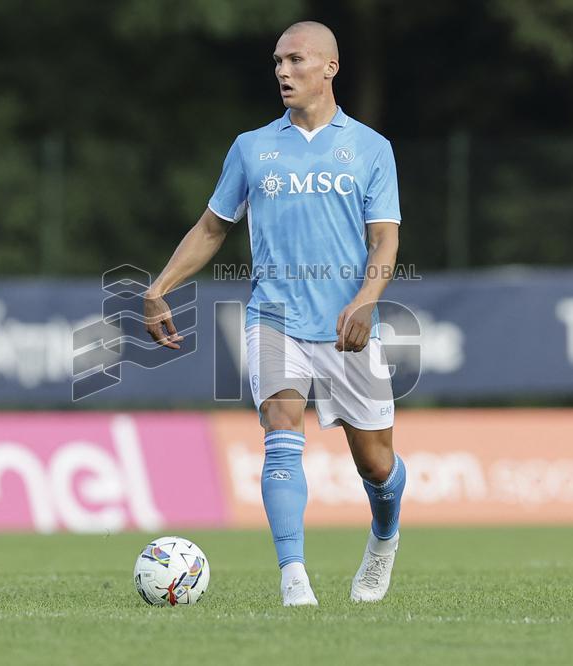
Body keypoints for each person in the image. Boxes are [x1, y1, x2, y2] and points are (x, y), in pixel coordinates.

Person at [144, 21, 405, 607]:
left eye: (296, 60)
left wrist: (366, 301)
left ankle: (384, 538)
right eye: (277, 61)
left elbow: (384, 242)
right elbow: (213, 227)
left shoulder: (371, 149)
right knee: (281, 429)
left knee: (378, 465)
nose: (283, 72)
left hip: (349, 327)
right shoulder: (251, 147)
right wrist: (160, 284)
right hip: (274, 317)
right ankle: (295, 579)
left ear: (330, 68)